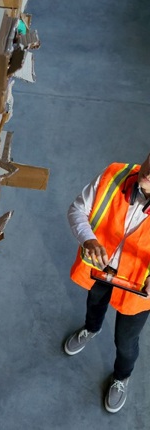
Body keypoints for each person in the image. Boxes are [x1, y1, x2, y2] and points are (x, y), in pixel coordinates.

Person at [64, 152, 150, 414]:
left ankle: (121, 376)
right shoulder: (115, 173)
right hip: (102, 269)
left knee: (126, 340)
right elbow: (77, 209)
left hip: (138, 287)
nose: (148, 172)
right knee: (95, 304)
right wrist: (88, 238)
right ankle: (92, 328)